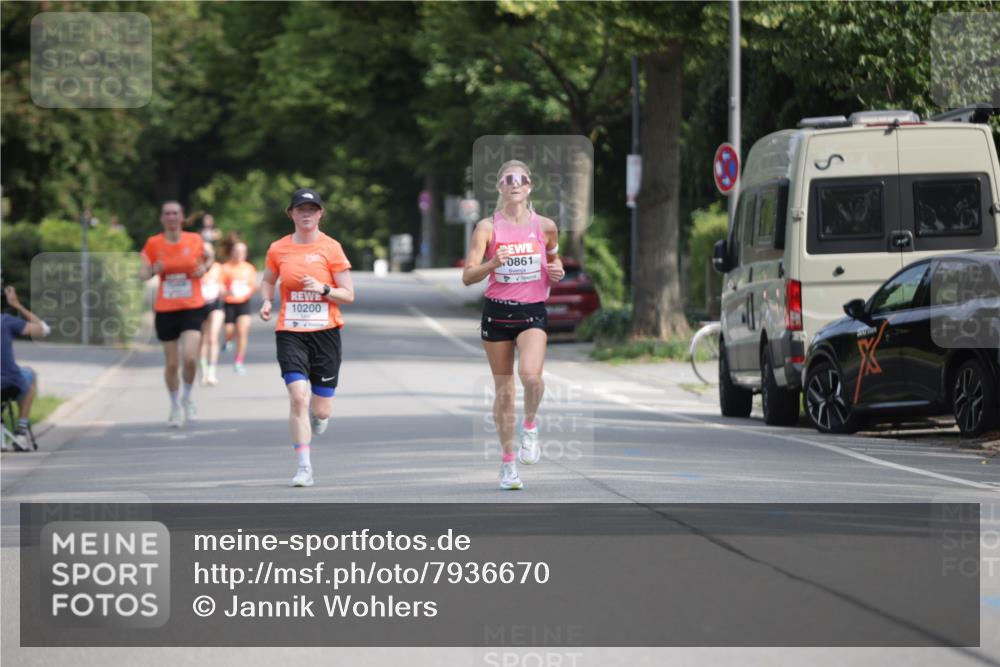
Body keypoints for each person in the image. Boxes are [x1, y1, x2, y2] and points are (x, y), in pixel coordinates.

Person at [462, 160, 564, 490]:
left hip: (532, 311)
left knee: (531, 377)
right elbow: (467, 276)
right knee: (505, 393)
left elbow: (553, 258)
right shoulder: (487, 228)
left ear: (530, 186)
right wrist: (494, 262)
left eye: (521, 179)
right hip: (497, 313)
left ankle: (530, 426)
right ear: (500, 187)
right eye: (509, 179)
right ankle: (508, 465)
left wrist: (557, 269)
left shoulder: (546, 226)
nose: (515, 183)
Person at [260, 188, 354, 487]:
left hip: (325, 332)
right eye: (301, 208)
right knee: (298, 397)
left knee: (320, 408)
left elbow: (348, 295)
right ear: (291, 213)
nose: (306, 213)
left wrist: (323, 289)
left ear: (320, 214)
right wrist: (266, 300)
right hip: (291, 330)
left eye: (312, 209)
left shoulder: (332, 248)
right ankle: (304, 466)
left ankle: (319, 416)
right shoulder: (278, 249)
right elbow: (268, 279)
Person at [140, 201, 210, 428]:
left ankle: (187, 397)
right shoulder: (153, 243)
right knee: (172, 363)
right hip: (166, 309)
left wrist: (204, 268)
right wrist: (153, 270)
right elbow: (142, 274)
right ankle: (174, 406)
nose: (171, 217)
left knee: (190, 357)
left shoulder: (195, 240)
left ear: (182, 217)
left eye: (175, 213)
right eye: (167, 213)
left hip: (192, 306)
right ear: (162, 218)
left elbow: (209, 258)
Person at [1, 286, 51, 451]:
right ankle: (21, 432)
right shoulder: (6, 321)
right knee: (30, 374)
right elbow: (43, 330)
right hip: (8, 384)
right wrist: (17, 305)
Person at [221, 236, 257, 375]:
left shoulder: (249, 268)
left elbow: (253, 285)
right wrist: (227, 291)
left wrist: (248, 290)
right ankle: (227, 340)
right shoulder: (225, 268)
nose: (239, 254)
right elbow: (219, 286)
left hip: (243, 302)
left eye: (242, 251)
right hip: (229, 302)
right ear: (231, 252)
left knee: (242, 330)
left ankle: (239, 361)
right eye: (236, 251)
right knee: (229, 331)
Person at [198, 243, 226, 385]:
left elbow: (224, 285)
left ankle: (212, 372)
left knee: (213, 337)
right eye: (204, 250)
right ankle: (203, 372)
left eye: (209, 250)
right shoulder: (196, 267)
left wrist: (223, 289)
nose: (207, 252)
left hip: (216, 304)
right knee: (202, 339)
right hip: (200, 304)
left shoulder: (218, 267)